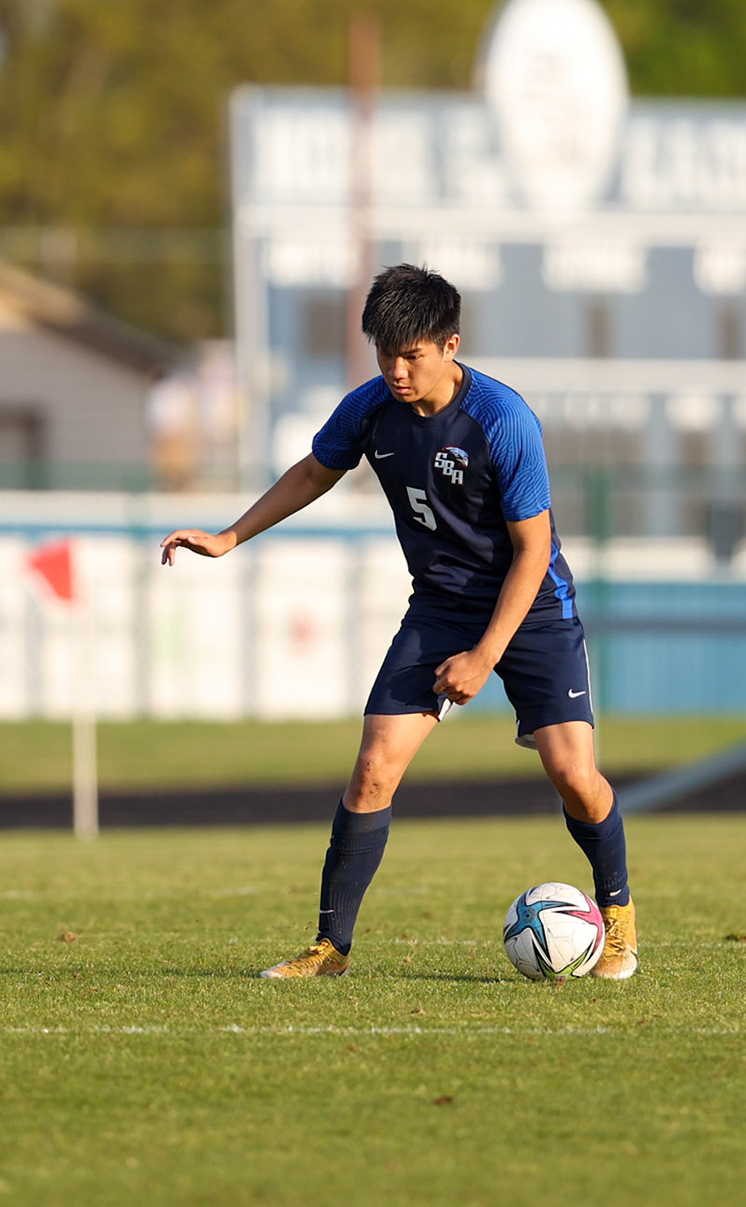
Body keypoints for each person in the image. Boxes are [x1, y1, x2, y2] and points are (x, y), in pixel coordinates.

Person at [160, 264, 637, 979]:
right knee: (374, 767)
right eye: (385, 354)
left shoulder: (502, 421)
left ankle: (620, 920)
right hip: (440, 606)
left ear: (450, 344)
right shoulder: (370, 407)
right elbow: (314, 471)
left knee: (573, 775)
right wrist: (231, 536)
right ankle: (331, 949)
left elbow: (533, 551)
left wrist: (484, 657)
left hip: (531, 604)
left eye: (411, 354)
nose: (396, 369)